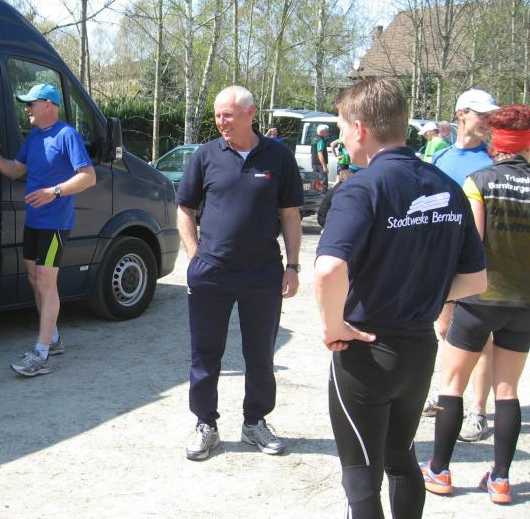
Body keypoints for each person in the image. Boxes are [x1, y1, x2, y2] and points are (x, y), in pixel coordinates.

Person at [314, 77, 486, 518]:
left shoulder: (361, 188)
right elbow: (475, 280)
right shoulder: (446, 186)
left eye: (342, 128)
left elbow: (329, 269)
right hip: (419, 350)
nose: (340, 139)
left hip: (365, 350)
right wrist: (422, 292)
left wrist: (334, 327)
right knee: (402, 459)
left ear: (360, 129)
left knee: (361, 477)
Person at [176, 85, 304, 461]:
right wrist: (194, 256)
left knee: (260, 353)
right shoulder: (205, 155)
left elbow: (290, 215)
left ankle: (255, 422)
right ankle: (205, 424)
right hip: (211, 273)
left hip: (263, 274)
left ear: (250, 113)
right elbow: (184, 209)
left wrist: (293, 266)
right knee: (205, 353)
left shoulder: (278, 156)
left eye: (228, 114)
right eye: (218, 115)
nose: (221, 121)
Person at [421, 104, 530, 505]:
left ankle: (439, 470)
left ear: (497, 142)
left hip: (479, 299)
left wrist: (447, 302)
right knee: (507, 390)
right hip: (523, 303)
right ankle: (500, 480)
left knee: (452, 384)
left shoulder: (478, 181)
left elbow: (471, 247)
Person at [0, 83, 96, 376]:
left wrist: (53, 191)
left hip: (55, 224)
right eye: (26, 104)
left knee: (46, 284)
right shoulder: (34, 136)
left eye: (31, 103)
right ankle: (54, 340)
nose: (26, 109)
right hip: (34, 222)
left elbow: (88, 177)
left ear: (49, 104)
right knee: (35, 280)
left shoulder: (67, 135)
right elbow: (16, 170)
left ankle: (41, 354)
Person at [423, 88, 500, 442]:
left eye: (490, 115)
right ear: (461, 115)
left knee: (481, 339)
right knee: (445, 332)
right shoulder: (440, 158)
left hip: (480, 265)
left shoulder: (493, 161)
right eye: (481, 114)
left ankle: (477, 411)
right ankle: (446, 395)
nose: (487, 121)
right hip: (443, 263)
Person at [311, 123, 330, 191]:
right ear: (322, 132)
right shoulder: (321, 140)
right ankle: (323, 194)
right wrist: (324, 166)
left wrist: (312, 164)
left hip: (314, 164)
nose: (328, 133)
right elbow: (320, 153)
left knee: (316, 181)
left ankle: (315, 194)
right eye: (326, 131)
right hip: (320, 165)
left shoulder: (314, 139)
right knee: (323, 181)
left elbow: (312, 153)